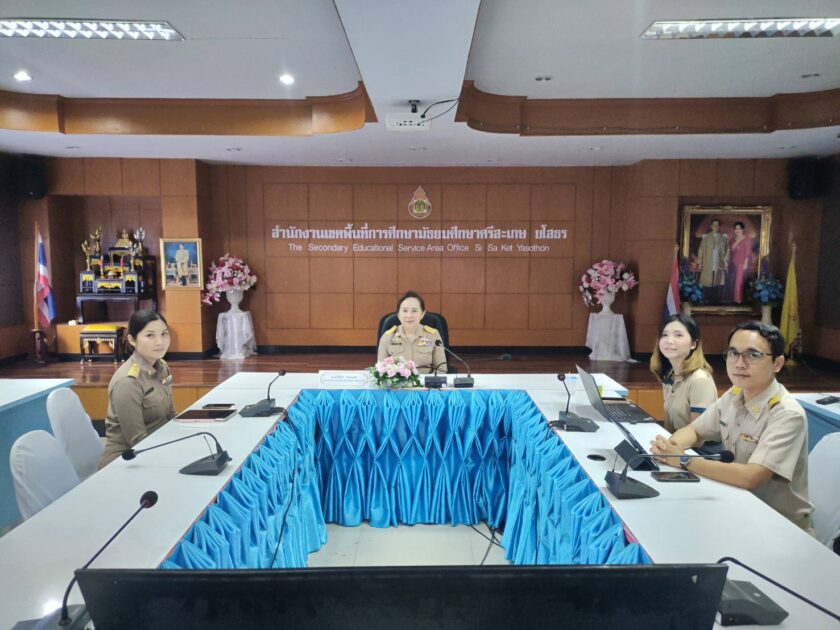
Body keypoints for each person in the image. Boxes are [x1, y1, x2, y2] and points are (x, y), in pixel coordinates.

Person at [650, 322, 813, 532]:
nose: (739, 363)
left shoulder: (787, 414)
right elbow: (695, 430)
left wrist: (683, 460)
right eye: (733, 353)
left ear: (777, 363)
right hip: (736, 506)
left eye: (753, 355)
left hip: (778, 526)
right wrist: (669, 448)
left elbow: (751, 476)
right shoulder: (735, 394)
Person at [99, 310, 175, 468]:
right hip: (126, 460)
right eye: (150, 335)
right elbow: (137, 440)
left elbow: (170, 416)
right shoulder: (128, 381)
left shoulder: (162, 367)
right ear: (132, 340)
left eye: (164, 334)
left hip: (158, 446)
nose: (160, 342)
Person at [649, 314, 717, 434]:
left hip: (700, 445)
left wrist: (668, 443)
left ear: (693, 344)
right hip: (677, 442)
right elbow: (669, 425)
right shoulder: (670, 375)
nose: (669, 341)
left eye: (678, 335)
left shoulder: (699, 380)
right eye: (664, 335)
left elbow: (696, 435)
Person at [377, 291, 447, 374]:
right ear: (398, 314)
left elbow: (441, 369)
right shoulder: (387, 337)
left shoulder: (433, 336)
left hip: (425, 380)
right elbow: (381, 369)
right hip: (398, 382)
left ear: (422, 314)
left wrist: (427, 381)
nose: (409, 315)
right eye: (405, 310)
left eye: (414, 311)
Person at [696, 219, 728, 302]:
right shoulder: (706, 237)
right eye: (714, 225)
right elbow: (701, 250)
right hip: (708, 262)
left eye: (717, 225)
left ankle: (716, 300)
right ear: (711, 226)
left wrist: (725, 262)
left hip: (718, 263)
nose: (716, 227)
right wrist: (700, 262)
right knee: (707, 281)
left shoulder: (723, 238)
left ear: (719, 227)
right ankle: (706, 299)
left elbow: (727, 251)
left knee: (717, 282)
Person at [724, 221, 753, 304]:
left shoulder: (747, 239)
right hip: (732, 263)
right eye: (736, 229)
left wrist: (746, 263)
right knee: (731, 281)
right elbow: (730, 249)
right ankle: (732, 299)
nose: (737, 230)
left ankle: (738, 299)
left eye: (739, 229)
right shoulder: (733, 239)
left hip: (741, 263)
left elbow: (747, 252)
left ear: (742, 229)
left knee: (738, 281)